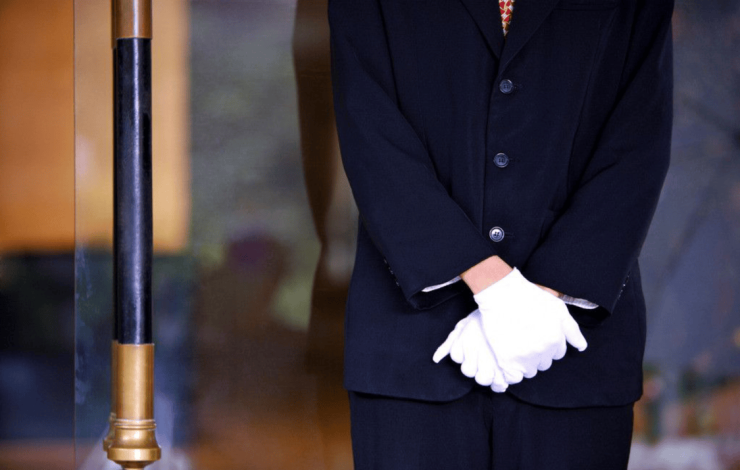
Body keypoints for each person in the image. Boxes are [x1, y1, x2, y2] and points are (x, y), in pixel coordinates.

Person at [328, 0, 674, 468]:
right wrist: (493, 286)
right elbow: (368, 124)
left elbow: (638, 136)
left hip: (573, 350)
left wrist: (546, 296)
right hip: (409, 350)